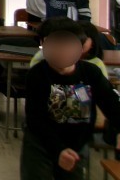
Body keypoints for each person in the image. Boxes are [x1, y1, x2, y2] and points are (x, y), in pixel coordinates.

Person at [21, 18, 120, 179]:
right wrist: (58, 150)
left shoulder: (91, 73)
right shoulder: (37, 75)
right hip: (41, 146)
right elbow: (35, 119)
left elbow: (112, 104)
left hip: (77, 146)